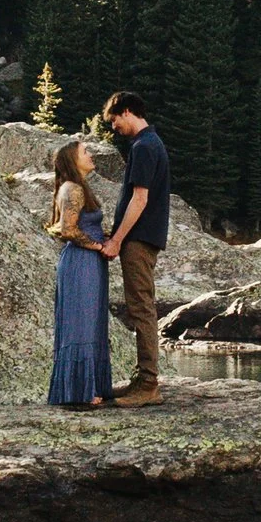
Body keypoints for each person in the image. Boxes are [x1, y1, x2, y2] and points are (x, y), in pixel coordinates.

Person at [99, 90, 170, 407]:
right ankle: (142, 380)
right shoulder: (149, 143)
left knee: (141, 308)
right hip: (142, 238)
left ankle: (149, 384)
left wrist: (116, 239)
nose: (114, 127)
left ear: (126, 112)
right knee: (140, 305)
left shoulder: (144, 147)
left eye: (114, 120)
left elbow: (139, 199)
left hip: (139, 239)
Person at [45, 138, 114, 407]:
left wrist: (107, 239)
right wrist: (98, 246)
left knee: (92, 322)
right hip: (81, 262)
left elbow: (83, 226)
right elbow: (68, 230)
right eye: (85, 152)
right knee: (81, 324)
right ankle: (80, 391)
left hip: (91, 261)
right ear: (73, 160)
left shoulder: (80, 187)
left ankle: (91, 386)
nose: (91, 155)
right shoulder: (71, 188)